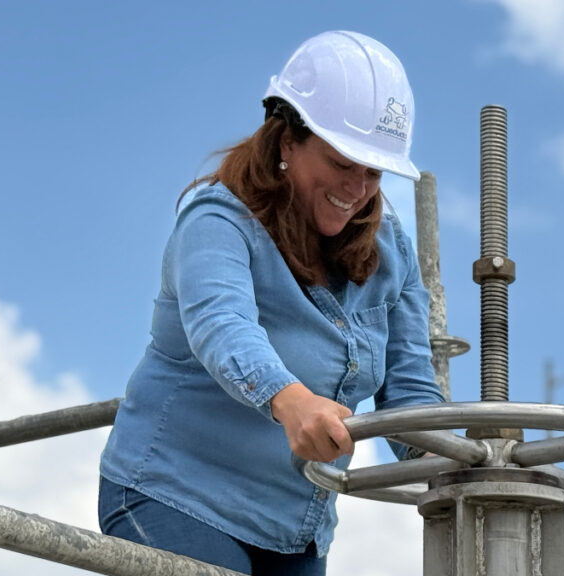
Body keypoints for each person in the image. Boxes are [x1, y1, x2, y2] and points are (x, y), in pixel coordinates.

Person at [98, 30, 444, 575]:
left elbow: (408, 389)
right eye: (341, 162)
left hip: (293, 532)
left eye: (373, 172)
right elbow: (222, 324)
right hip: (176, 496)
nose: (357, 188)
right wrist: (293, 401)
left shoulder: (390, 250)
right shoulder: (217, 221)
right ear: (287, 142)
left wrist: (451, 464)